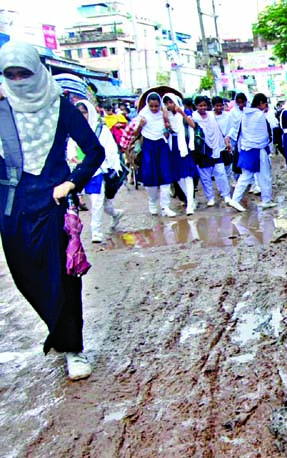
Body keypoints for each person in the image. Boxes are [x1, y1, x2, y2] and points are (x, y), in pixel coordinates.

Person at [0, 41, 106, 380]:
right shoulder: (2, 109)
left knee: (64, 278)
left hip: (54, 206)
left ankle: (74, 348)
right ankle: (60, 333)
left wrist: (72, 183)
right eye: (10, 74)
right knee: (26, 277)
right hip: (13, 208)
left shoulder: (61, 107)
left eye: (24, 73)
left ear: (37, 72)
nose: (18, 80)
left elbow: (94, 151)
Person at [70, 100, 124, 243]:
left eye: (84, 112)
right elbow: (71, 148)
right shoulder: (75, 129)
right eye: (79, 113)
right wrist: (74, 158)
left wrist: (111, 165)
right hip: (81, 172)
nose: (82, 115)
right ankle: (116, 214)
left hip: (98, 171)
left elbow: (110, 150)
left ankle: (96, 231)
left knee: (97, 202)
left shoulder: (101, 129)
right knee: (104, 205)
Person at [228, 93, 275, 211]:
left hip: (246, 149)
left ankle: (235, 199)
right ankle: (266, 200)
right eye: (265, 104)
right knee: (264, 176)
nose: (266, 106)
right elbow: (264, 135)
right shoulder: (259, 115)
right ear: (261, 103)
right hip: (259, 150)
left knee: (245, 176)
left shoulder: (245, 115)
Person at [133, 93, 178, 216]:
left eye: (156, 106)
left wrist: (167, 125)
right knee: (150, 177)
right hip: (148, 147)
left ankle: (165, 207)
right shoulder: (142, 116)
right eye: (151, 106)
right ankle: (152, 202)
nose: (154, 109)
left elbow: (168, 133)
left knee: (166, 177)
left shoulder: (164, 115)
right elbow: (134, 134)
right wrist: (140, 126)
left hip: (162, 146)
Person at [192, 96, 233, 207]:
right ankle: (210, 198)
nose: (203, 108)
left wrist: (226, 143)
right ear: (196, 106)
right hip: (203, 150)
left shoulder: (212, 116)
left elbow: (221, 130)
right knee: (205, 176)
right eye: (200, 105)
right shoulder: (193, 118)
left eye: (205, 105)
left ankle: (226, 195)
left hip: (216, 148)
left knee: (221, 173)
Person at [163, 93, 198, 215]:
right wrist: (167, 127)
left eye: (171, 102)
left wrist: (182, 114)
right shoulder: (166, 116)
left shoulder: (184, 112)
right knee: (178, 177)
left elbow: (193, 125)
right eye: (167, 103)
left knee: (187, 175)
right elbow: (166, 134)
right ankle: (191, 200)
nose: (169, 105)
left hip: (184, 146)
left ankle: (190, 205)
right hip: (173, 147)